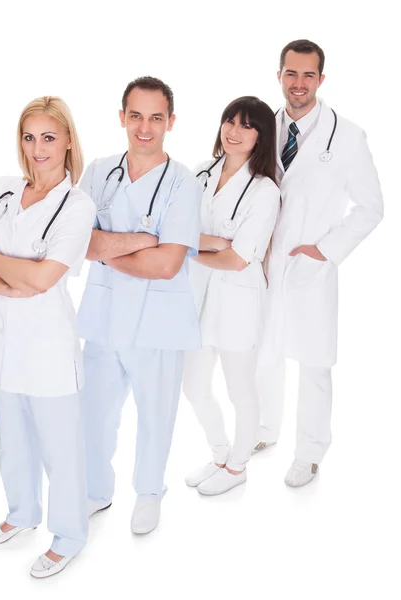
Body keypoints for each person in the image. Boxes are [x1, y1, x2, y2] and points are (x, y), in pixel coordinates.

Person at [0, 96, 96, 578]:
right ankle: (22, 514)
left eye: (49, 137)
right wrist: (9, 281)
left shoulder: (78, 206)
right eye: (29, 137)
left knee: (61, 449)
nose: (37, 148)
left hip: (49, 350)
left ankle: (70, 534)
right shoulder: (2, 189)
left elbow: (41, 280)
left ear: (68, 141)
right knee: (12, 440)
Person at [254, 40, 384, 486]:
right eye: (291, 73)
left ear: (321, 80)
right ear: (279, 76)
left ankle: (309, 451)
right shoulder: (260, 128)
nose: (299, 83)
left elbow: (371, 208)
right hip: (264, 262)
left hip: (311, 267)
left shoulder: (347, 136)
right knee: (262, 349)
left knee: (313, 361)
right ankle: (263, 430)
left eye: (309, 75)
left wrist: (324, 250)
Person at [78, 76, 202, 534]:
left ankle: (149, 494)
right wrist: (139, 242)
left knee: (156, 414)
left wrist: (108, 247)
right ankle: (95, 491)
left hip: (159, 321)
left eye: (155, 117)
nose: (144, 128)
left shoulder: (184, 183)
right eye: (136, 116)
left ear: (171, 122)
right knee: (95, 413)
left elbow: (168, 264)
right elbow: (79, 243)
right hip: (105, 315)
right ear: (121, 118)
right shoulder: (99, 171)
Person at [182, 96, 280, 495]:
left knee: (241, 390)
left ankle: (238, 467)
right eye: (229, 121)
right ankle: (220, 454)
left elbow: (239, 259)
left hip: (238, 301)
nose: (234, 132)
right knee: (193, 386)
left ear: (260, 137)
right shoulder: (200, 172)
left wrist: (192, 248)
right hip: (198, 296)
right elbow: (175, 234)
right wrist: (212, 244)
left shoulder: (265, 191)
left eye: (246, 125)